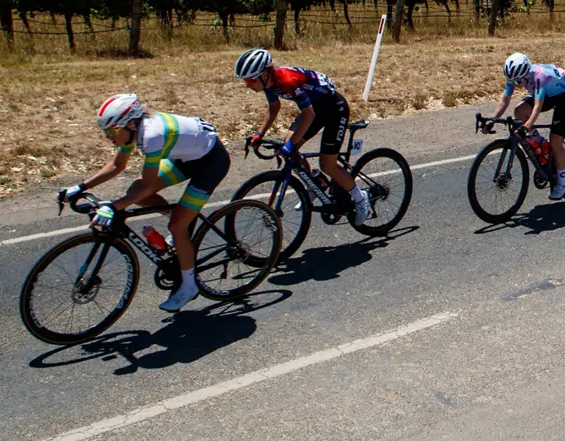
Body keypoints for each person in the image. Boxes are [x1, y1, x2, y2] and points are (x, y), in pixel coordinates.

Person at [60, 94, 230, 312]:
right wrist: (80, 187)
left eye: (112, 132)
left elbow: (148, 186)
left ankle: (189, 286)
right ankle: (183, 221)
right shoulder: (132, 131)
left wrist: (113, 207)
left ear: (130, 125)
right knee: (136, 193)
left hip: (211, 163)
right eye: (106, 132)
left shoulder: (151, 136)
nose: (108, 137)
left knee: (176, 226)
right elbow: (117, 165)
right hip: (185, 158)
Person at [235, 48, 369, 226]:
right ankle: (315, 183)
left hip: (334, 110)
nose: (247, 85)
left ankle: (360, 198)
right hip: (314, 109)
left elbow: (309, 115)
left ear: (265, 74)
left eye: (250, 80)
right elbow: (274, 108)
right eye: (245, 81)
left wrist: (292, 143)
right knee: (289, 148)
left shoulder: (287, 81)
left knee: (327, 164)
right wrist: (259, 134)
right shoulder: (268, 83)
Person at [490, 53, 565, 199]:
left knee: (555, 140)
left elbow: (537, 107)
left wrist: (526, 127)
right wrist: (492, 120)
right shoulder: (515, 76)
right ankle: (541, 144)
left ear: (525, 74)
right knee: (520, 111)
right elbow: (504, 101)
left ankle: (562, 183)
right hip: (548, 94)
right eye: (511, 81)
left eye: (517, 81)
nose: (515, 84)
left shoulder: (539, 76)